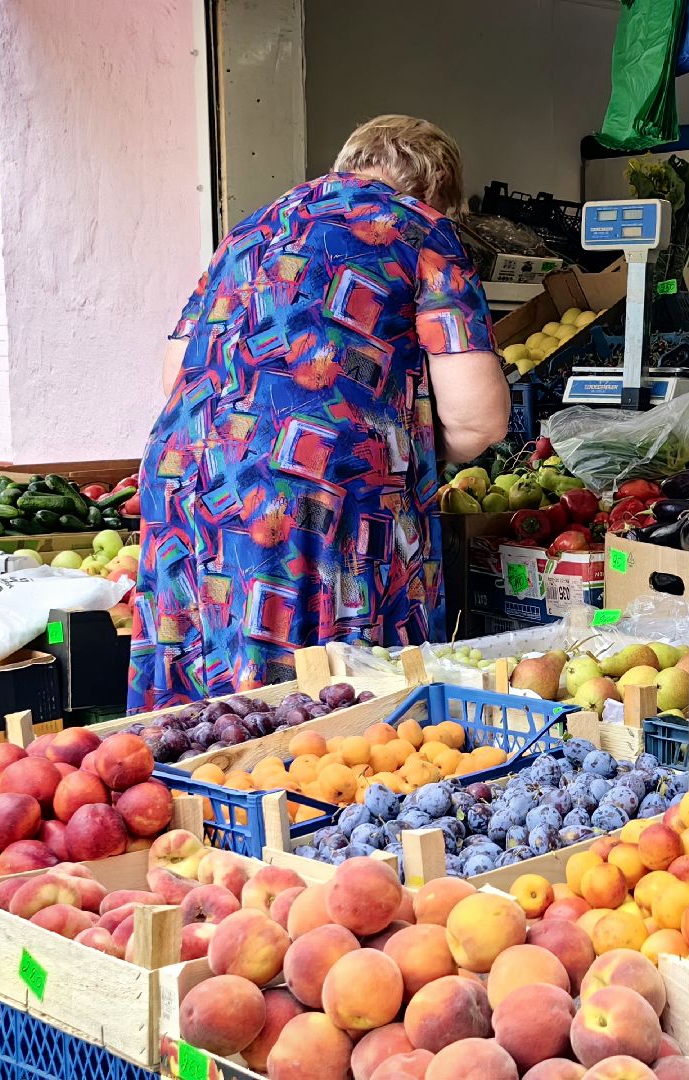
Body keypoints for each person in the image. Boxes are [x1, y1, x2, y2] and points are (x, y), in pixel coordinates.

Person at [128, 115, 510, 712]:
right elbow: (476, 420)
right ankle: (294, 798)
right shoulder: (422, 230)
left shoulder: (251, 230)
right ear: (437, 190)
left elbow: (174, 374)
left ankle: (192, 799)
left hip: (187, 480)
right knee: (320, 704)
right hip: (313, 491)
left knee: (199, 708)